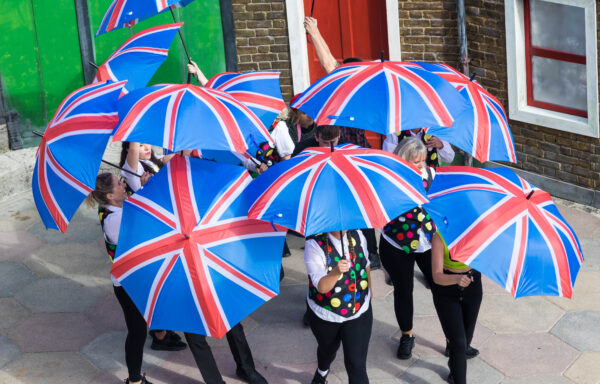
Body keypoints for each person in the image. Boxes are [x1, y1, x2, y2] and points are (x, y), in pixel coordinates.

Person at [118, 142, 188, 351]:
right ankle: (159, 336)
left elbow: (174, 158)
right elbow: (132, 148)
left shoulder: (150, 160)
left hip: (162, 226)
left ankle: (163, 329)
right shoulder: (132, 170)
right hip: (150, 232)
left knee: (164, 284)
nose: (145, 147)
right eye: (139, 145)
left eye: (146, 142)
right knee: (158, 284)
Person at [86, 173, 154, 384]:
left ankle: (160, 336)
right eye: (119, 184)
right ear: (109, 195)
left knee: (142, 324)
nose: (124, 185)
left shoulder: (111, 209)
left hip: (132, 277)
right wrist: (147, 190)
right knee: (137, 332)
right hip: (128, 283)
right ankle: (134, 380)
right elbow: (144, 216)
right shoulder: (115, 219)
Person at [379, 137, 437, 359]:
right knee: (404, 291)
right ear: (402, 160)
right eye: (415, 162)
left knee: (441, 288)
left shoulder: (431, 176)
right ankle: (407, 335)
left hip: (427, 242)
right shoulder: (389, 180)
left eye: (422, 161)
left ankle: (454, 340)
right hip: (397, 243)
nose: (420, 166)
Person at [305, 230, 373, 384]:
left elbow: (366, 264)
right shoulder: (313, 245)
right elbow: (321, 286)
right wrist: (336, 272)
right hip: (325, 313)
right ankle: (322, 371)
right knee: (327, 350)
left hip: (358, 311)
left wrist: (370, 290)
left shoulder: (358, 235)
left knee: (356, 364)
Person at [430, 234, 482, 384]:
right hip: (445, 289)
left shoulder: (478, 232)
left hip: (473, 284)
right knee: (458, 342)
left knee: (466, 338)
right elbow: (436, 276)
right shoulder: (439, 237)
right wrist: (457, 279)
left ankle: (454, 364)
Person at [383, 128, 455, 168]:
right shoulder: (396, 132)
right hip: (405, 178)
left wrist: (441, 145)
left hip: (431, 180)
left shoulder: (434, 131)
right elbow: (388, 160)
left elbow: (450, 158)